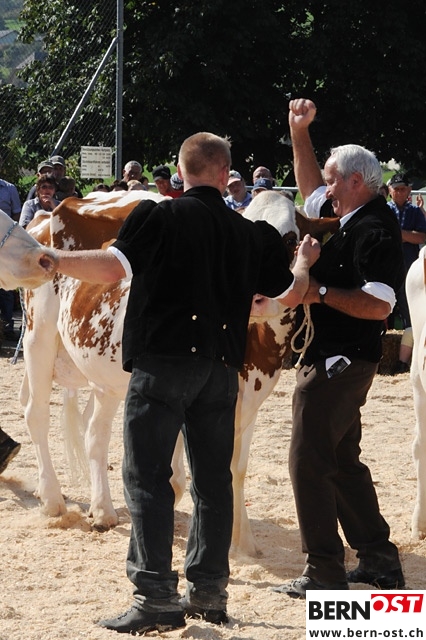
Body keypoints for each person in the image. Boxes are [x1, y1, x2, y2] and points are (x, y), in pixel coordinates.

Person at [53, 131, 320, 634]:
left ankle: (156, 597)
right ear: (225, 174)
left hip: (162, 364)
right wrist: (303, 262)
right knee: (213, 481)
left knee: (148, 478)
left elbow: (110, 269)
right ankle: (209, 593)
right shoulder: (252, 233)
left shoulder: (157, 216)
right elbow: (289, 295)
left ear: (180, 172)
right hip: (220, 370)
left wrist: (53, 259)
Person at [272, 98, 406, 598]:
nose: (324, 190)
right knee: (343, 460)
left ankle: (324, 569)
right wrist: (298, 132)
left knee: (308, 459)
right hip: (338, 357)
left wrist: (319, 290)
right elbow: (310, 192)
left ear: (354, 181)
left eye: (332, 181)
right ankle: (378, 560)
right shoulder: (351, 214)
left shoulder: (374, 229)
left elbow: (380, 305)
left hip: (341, 361)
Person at [387, 173, 426, 374]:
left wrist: (398, 234)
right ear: (390, 191)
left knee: (409, 313)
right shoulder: (384, 210)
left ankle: (404, 362)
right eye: (396, 189)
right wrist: (407, 235)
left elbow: (422, 237)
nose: (400, 192)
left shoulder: (415, 212)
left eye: (403, 189)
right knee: (383, 310)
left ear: (409, 190)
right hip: (386, 267)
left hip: (408, 270)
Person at [0, 156, 21, 339]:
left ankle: (7, 327)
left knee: (6, 288)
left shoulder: (9, 189)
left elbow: (17, 216)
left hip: (4, 246)